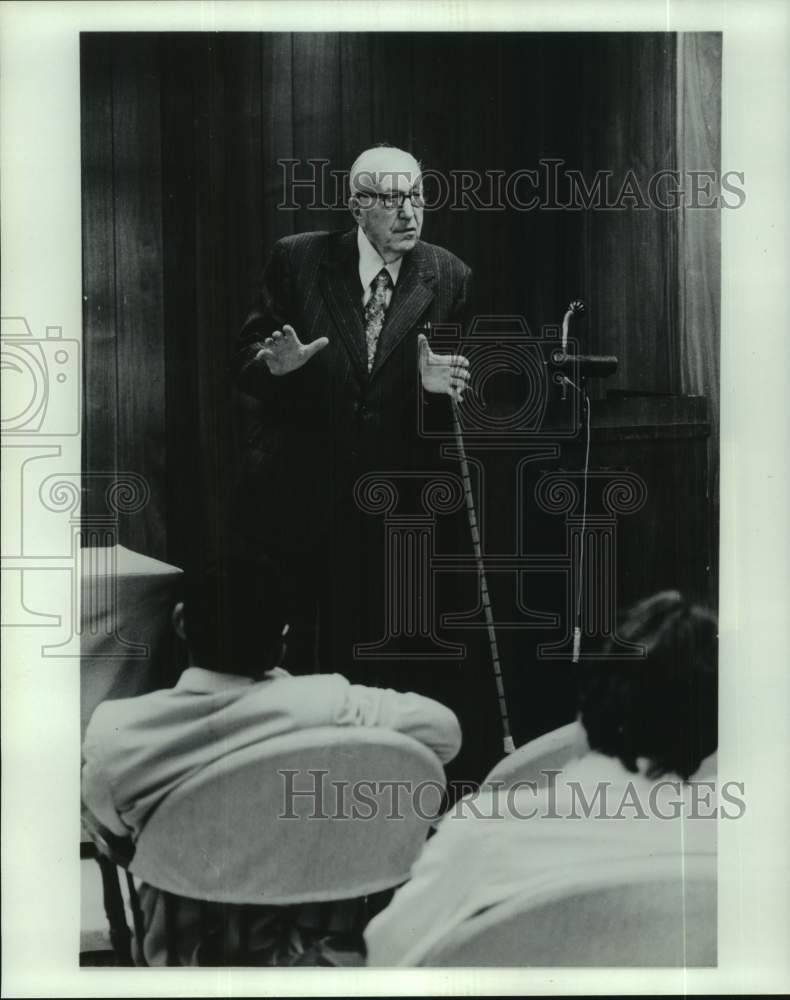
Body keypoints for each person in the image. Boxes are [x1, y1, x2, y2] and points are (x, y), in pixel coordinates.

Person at [231, 144, 503, 786]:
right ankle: (291, 787)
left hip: (395, 505)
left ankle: (375, 793)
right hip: (300, 495)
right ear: (357, 205)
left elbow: (473, 404)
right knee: (298, 655)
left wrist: (442, 392)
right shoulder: (298, 259)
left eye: (417, 195)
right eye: (390, 198)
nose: (410, 212)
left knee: (388, 657)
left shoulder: (450, 275)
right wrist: (276, 367)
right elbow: (245, 355)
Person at [81, 556, 461, 964]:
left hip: (186, 953)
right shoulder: (329, 705)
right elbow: (444, 733)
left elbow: (112, 828)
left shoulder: (118, 731)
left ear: (180, 622)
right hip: (322, 946)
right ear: (279, 641)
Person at [364, 591, 719, 966]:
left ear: (587, 705)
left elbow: (388, 957)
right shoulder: (740, 842)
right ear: (710, 731)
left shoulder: (486, 829)